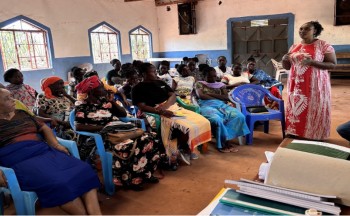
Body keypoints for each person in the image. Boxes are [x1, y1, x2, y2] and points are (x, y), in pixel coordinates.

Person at [0, 88, 101, 215]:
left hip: (43, 151)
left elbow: (43, 127)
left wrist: (56, 145)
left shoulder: (22, 113)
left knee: (84, 170)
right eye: (7, 98)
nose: (13, 100)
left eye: (11, 96)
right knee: (59, 184)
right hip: (19, 160)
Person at [74, 75, 160, 191]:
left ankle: (146, 174)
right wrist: (104, 127)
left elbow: (123, 115)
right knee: (133, 145)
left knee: (151, 138)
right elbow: (78, 126)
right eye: (101, 87)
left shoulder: (105, 101)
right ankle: (132, 180)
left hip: (118, 130)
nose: (105, 90)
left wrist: (112, 102)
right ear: (92, 91)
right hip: (103, 135)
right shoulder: (81, 105)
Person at [132, 63, 212, 165]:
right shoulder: (137, 88)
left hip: (171, 108)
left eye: (155, 71)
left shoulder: (160, 83)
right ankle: (183, 148)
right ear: (143, 74)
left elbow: (172, 95)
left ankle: (185, 146)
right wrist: (160, 111)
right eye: (153, 71)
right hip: (154, 112)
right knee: (184, 126)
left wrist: (166, 105)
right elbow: (142, 106)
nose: (156, 73)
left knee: (202, 121)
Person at [281, 21, 336, 140]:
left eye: (306, 29)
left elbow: (332, 64)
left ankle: (314, 134)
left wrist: (312, 62)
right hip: (296, 84)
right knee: (296, 106)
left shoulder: (324, 45)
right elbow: (287, 67)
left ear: (315, 31)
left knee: (315, 106)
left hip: (316, 84)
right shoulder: (294, 46)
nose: (302, 31)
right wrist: (284, 60)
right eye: (300, 29)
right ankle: (294, 131)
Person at [195, 67, 250, 153]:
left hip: (222, 105)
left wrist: (209, 94)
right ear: (204, 76)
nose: (213, 79)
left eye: (214, 76)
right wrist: (216, 96)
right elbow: (201, 96)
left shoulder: (221, 85)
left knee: (239, 116)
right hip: (206, 105)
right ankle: (223, 143)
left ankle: (226, 139)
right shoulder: (199, 84)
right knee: (217, 119)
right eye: (209, 77)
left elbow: (225, 97)